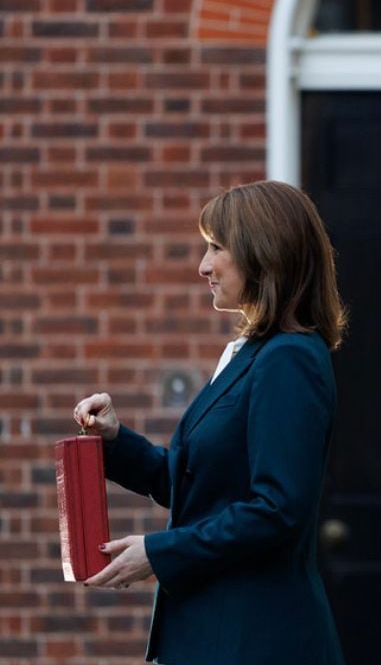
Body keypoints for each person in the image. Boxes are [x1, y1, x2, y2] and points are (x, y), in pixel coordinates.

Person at [73, 180, 348, 665]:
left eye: (216, 247)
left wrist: (161, 552)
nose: (203, 266)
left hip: (254, 640)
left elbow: (277, 509)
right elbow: (197, 486)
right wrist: (116, 441)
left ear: (264, 252)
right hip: (217, 635)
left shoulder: (289, 360)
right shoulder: (254, 354)